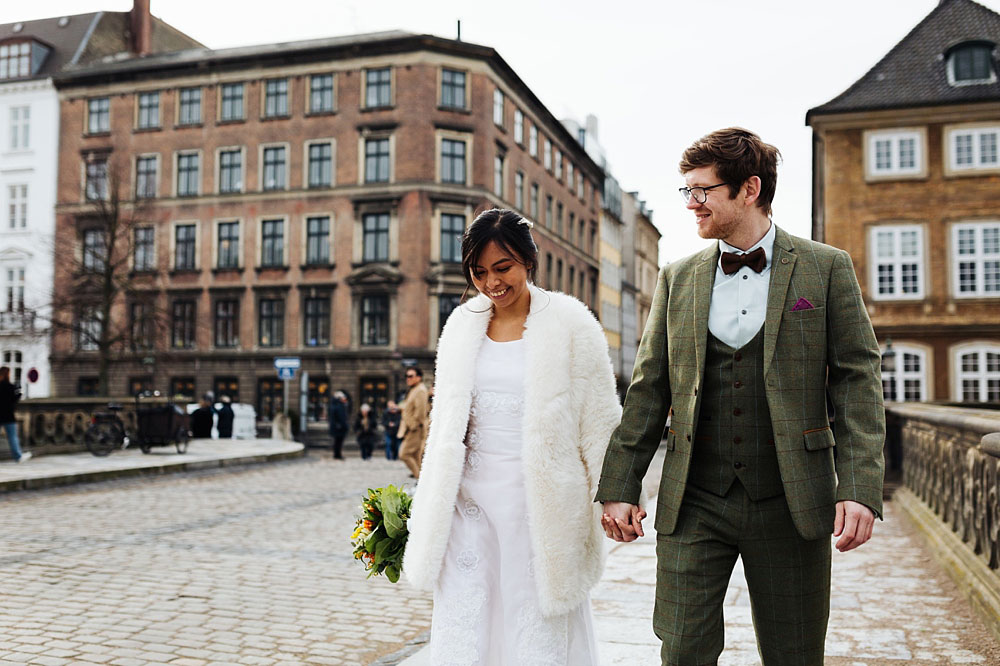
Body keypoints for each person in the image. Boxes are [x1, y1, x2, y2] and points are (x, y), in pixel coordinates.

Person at [595, 128, 885, 665]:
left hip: (792, 501)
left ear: (748, 189)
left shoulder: (826, 268)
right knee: (682, 650)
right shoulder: (677, 277)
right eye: (688, 191)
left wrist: (862, 487)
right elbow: (648, 389)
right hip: (694, 501)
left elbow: (857, 381)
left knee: (794, 654)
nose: (692, 203)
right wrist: (620, 484)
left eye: (702, 191)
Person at [404, 208, 621, 664]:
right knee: (468, 618)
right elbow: (446, 424)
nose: (491, 282)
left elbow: (600, 423)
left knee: (533, 618)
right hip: (467, 504)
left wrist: (616, 496)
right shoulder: (461, 325)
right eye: (479, 272)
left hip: (538, 505)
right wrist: (428, 497)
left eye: (502, 268)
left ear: (528, 259)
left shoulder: (571, 323)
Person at [397, 367, 428, 478]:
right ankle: (422, 482)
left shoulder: (420, 390)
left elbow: (420, 412)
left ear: (418, 377)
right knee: (416, 456)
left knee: (404, 454)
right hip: (411, 428)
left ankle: (420, 480)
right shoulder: (414, 389)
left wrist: (413, 426)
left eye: (410, 376)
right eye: (406, 376)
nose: (408, 378)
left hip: (415, 429)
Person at [0, 367, 30, 463]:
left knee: (13, 436)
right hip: (8, 415)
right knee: (12, 436)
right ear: (8, 374)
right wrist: (19, 393)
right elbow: (14, 400)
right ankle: (18, 456)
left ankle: (18, 456)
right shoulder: (10, 386)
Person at [329, 391, 348, 460]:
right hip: (339, 428)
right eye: (343, 397)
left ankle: (337, 454)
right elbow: (341, 417)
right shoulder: (339, 406)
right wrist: (343, 426)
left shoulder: (335, 405)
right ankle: (337, 454)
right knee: (338, 442)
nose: (344, 399)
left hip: (337, 427)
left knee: (337, 442)